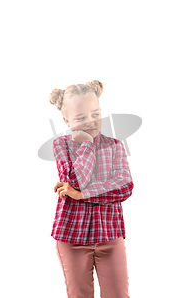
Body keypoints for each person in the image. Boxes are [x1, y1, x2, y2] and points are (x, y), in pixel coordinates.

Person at [49, 80, 133, 298]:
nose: (90, 122)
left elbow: (125, 186)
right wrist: (87, 144)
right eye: (81, 118)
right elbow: (76, 179)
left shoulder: (115, 145)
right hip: (72, 236)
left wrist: (81, 195)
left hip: (110, 235)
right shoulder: (61, 145)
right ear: (66, 120)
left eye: (95, 114)